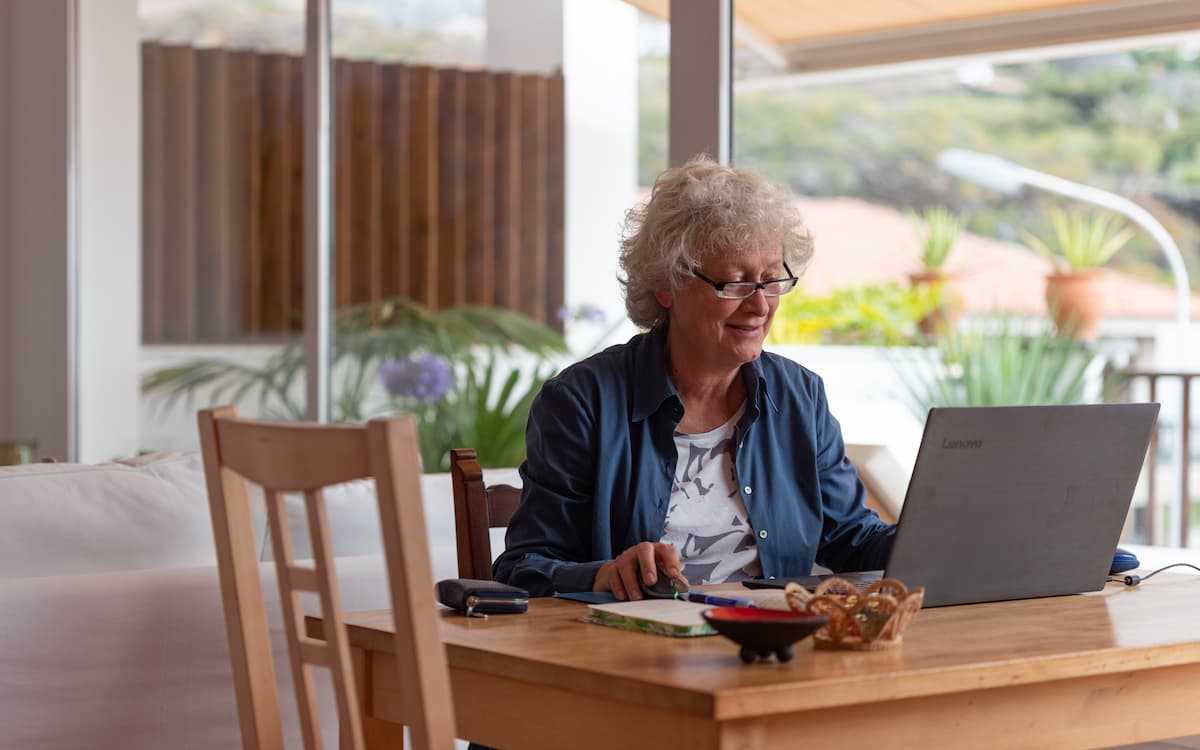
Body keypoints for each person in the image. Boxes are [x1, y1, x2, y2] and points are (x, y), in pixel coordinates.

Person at [493, 155, 896, 599]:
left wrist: (955, 530)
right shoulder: (582, 402)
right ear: (667, 285)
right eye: (734, 283)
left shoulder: (801, 395)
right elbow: (523, 567)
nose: (760, 306)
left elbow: (854, 541)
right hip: (635, 650)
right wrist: (605, 575)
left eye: (770, 281)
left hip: (772, 647)